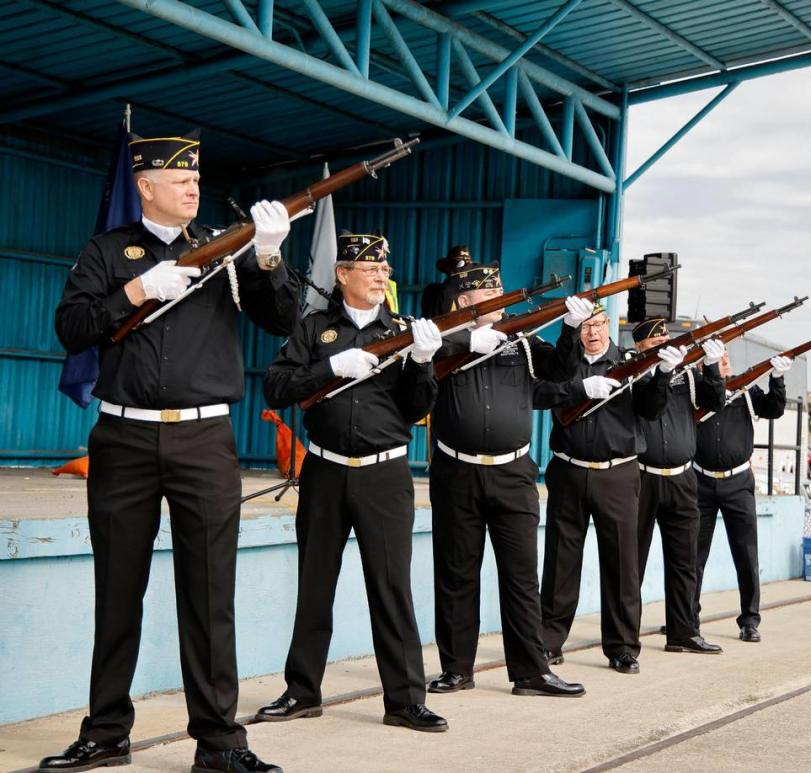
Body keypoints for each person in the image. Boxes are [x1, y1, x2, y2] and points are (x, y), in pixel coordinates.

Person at [49, 132, 297, 773]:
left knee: (210, 593)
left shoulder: (225, 249)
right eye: (177, 176)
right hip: (123, 437)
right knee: (118, 590)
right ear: (145, 185)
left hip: (203, 439)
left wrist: (268, 254)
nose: (192, 184)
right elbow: (72, 329)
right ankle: (105, 734)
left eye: (195, 176)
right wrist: (136, 291)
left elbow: (283, 318)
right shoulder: (108, 251)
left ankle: (219, 744)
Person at [256, 232, 448, 732]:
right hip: (324, 470)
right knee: (314, 585)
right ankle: (303, 691)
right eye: (369, 269)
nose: (381, 276)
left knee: (391, 588)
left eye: (384, 270)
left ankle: (406, 699)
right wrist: (329, 367)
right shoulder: (314, 329)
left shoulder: (407, 331)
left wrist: (423, 364)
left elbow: (417, 409)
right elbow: (276, 387)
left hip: (384, 474)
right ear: (342, 274)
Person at [427, 263, 593, 697]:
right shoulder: (442, 340)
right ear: (464, 302)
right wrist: (466, 340)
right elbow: (420, 356)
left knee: (521, 577)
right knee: (457, 574)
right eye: (491, 297)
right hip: (456, 470)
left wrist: (571, 329)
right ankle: (457, 669)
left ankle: (531, 672)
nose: (502, 303)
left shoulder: (520, 341)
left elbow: (560, 372)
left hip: (512, 473)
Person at [532, 306, 681, 673]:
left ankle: (623, 647)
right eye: (585, 326)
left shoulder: (631, 362)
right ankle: (550, 642)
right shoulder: (562, 363)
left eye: (598, 324)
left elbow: (651, 410)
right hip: (568, 470)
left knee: (622, 564)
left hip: (617, 474)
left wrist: (661, 374)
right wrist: (579, 388)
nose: (593, 332)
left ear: (608, 327)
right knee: (561, 562)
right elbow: (541, 394)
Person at [632, 318, 726, 655]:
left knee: (685, 560)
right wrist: (662, 372)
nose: (662, 346)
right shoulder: (636, 373)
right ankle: (628, 640)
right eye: (654, 343)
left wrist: (712, 368)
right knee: (633, 563)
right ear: (640, 348)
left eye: (665, 339)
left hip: (683, 478)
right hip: (643, 476)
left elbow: (715, 403)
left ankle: (683, 631)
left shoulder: (687, 373)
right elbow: (650, 406)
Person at [693, 351, 790, 644]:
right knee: (692, 557)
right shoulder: (696, 393)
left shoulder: (746, 391)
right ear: (703, 366)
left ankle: (749, 620)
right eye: (716, 360)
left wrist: (777, 378)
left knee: (746, 555)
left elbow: (774, 408)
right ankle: (686, 618)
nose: (725, 364)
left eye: (725, 359)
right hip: (700, 482)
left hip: (738, 483)